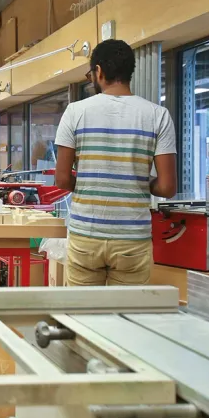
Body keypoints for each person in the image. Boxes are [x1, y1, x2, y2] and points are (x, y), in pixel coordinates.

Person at [54, 39, 177, 287]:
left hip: (86, 235)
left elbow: (62, 179)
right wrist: (137, 181)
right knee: (126, 322)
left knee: (83, 319)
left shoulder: (75, 112)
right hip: (132, 238)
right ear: (129, 71)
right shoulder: (158, 115)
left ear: (98, 71)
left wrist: (91, 181)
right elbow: (167, 188)